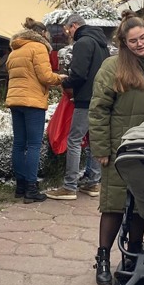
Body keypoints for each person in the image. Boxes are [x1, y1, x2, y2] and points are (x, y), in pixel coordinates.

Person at [88, 11, 144, 285]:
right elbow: (98, 109)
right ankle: (103, 258)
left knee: (141, 204)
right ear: (124, 43)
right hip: (120, 148)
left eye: (143, 37)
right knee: (113, 205)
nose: (140, 43)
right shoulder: (113, 67)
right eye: (133, 40)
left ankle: (133, 254)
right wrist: (101, 148)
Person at [46, 14, 109, 200]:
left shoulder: (82, 43)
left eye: (67, 30)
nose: (68, 34)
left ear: (74, 26)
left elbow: (79, 73)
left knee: (74, 140)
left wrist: (66, 83)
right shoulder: (102, 44)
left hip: (84, 99)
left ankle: (69, 186)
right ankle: (93, 183)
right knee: (94, 141)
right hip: (100, 99)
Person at [6, 18, 64, 203]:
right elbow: (45, 76)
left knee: (19, 144)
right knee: (33, 145)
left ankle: (20, 186)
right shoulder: (38, 47)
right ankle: (31, 187)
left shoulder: (15, 49)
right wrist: (60, 78)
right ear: (42, 33)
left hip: (15, 101)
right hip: (33, 102)